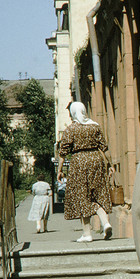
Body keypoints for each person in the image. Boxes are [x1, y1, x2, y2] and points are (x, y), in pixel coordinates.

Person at [57, 102, 113, 242]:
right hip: (96, 160)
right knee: (97, 194)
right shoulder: (95, 126)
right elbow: (104, 148)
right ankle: (105, 223)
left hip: (79, 162)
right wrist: (110, 165)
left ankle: (87, 234)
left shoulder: (71, 129)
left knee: (83, 197)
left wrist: (60, 170)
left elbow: (62, 153)